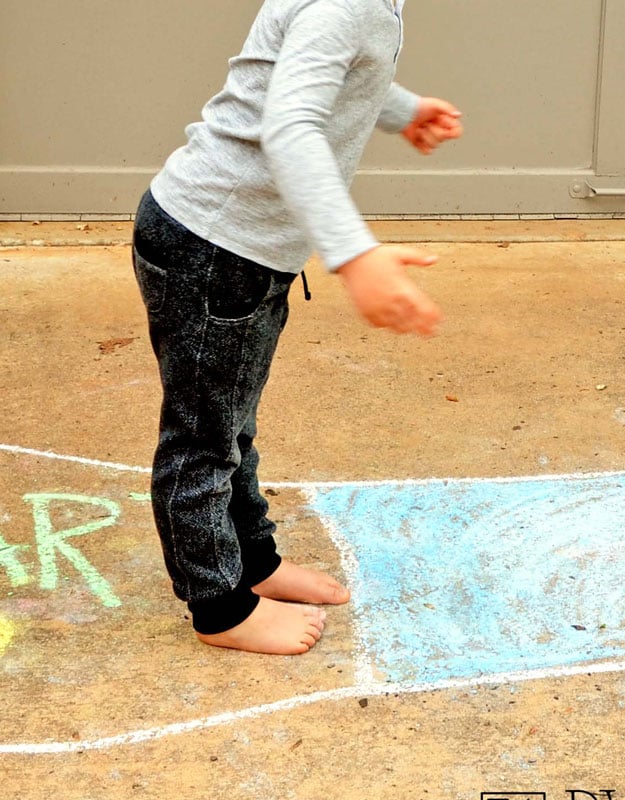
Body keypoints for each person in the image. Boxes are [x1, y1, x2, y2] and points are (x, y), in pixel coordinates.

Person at [130, 0, 462, 655]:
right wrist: (354, 255)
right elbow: (291, 122)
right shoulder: (346, 3)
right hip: (214, 248)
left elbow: (334, 73)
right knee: (202, 440)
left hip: (245, 251)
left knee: (231, 426)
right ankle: (219, 607)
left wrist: (403, 109)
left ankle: (253, 563)